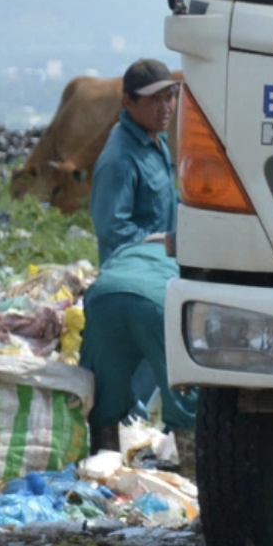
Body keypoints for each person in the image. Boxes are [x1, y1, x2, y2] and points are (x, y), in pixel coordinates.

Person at [79, 59, 195, 450]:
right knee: (142, 382)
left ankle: (129, 453)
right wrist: (163, 241)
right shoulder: (119, 158)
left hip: (163, 274)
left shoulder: (154, 142)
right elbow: (112, 226)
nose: (165, 109)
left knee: (140, 386)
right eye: (153, 101)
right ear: (128, 102)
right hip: (135, 276)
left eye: (170, 98)